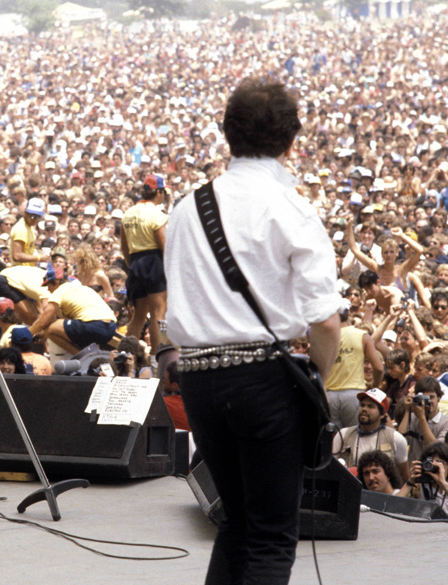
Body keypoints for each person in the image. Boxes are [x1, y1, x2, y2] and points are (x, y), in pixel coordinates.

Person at [164, 78, 341, 585]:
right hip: (265, 380)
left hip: (198, 377)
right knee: (269, 536)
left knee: (236, 524)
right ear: (291, 140)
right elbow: (325, 321)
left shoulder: (185, 208)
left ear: (227, 134)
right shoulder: (291, 208)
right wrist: (319, 377)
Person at [120, 173, 168, 354]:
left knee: (139, 316)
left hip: (135, 262)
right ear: (159, 192)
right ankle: (158, 358)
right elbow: (165, 246)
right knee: (158, 314)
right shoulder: (156, 214)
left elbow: (124, 247)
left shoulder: (128, 214)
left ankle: (125, 355)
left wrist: (132, 266)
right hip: (154, 262)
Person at [27, 264, 117, 355]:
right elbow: (66, 322)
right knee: (60, 327)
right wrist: (43, 334)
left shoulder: (60, 290)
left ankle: (82, 357)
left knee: (49, 329)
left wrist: (26, 333)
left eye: (49, 286)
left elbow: (42, 322)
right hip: (110, 327)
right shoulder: (82, 288)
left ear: (56, 283)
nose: (48, 290)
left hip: (92, 325)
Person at [324, 302, 383, 428]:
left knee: (334, 442)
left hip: (329, 396)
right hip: (353, 394)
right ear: (349, 314)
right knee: (355, 439)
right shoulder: (362, 335)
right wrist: (373, 387)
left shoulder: (325, 337)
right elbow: (378, 367)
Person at [332, 388, 410, 482]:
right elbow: (331, 469)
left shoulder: (396, 439)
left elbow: (404, 478)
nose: (364, 409)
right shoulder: (343, 435)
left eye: (370, 406)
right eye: (362, 405)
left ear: (383, 414)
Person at [396, 441, 448, 521]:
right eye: (430, 464)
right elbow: (393, 505)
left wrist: (443, 484)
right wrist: (410, 482)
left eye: (440, 463)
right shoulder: (420, 485)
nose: (434, 467)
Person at [396, 375, 448, 462]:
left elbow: (436, 450)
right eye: (424, 398)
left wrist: (422, 418)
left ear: (439, 397)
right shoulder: (414, 418)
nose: (428, 402)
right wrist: (407, 410)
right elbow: (400, 441)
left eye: (431, 397)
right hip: (414, 471)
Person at [10, 197, 47, 266]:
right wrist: (38, 258)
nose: (35, 219)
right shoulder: (21, 229)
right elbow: (16, 255)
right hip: (20, 270)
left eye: (38, 217)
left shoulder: (30, 227)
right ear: (25, 212)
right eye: (32, 216)